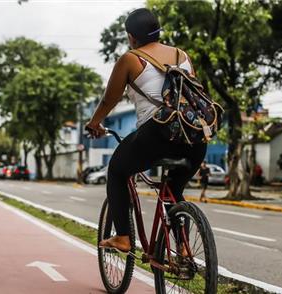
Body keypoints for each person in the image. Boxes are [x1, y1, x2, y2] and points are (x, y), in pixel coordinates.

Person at [85, 8, 206, 253]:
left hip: (158, 134)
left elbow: (110, 100)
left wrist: (94, 123)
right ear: (158, 30)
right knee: (173, 191)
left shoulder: (131, 58)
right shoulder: (182, 55)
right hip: (195, 137)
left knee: (117, 171)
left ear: (131, 37)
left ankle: (122, 237)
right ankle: (183, 248)